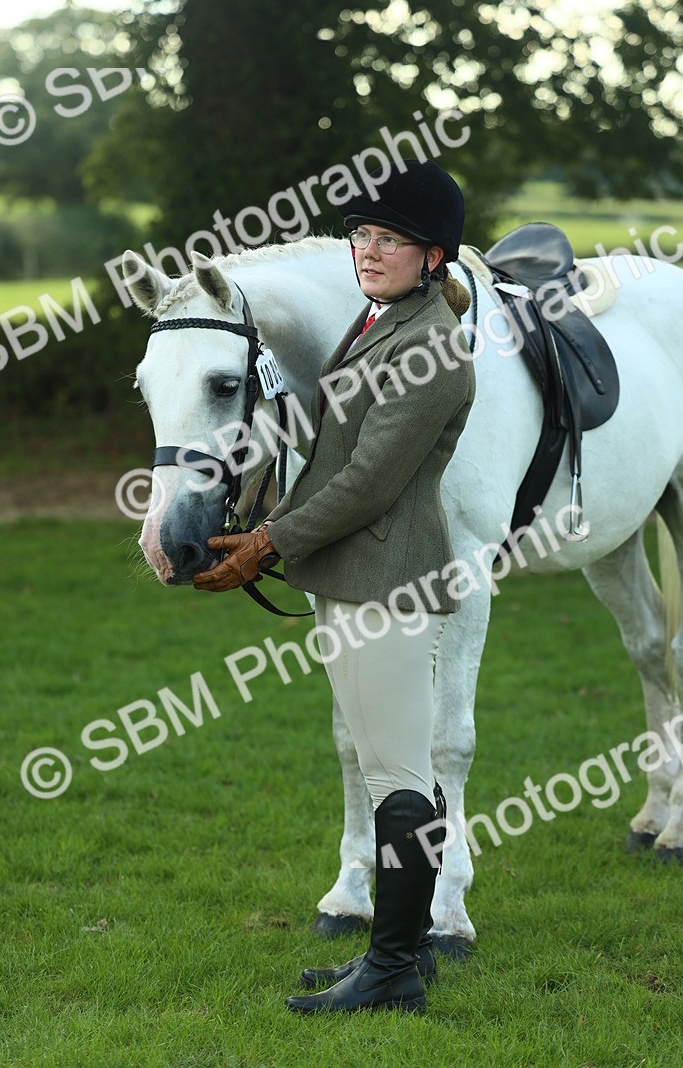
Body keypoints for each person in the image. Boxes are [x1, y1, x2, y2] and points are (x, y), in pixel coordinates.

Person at [193, 158, 475, 1014]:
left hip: (386, 580)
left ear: (433, 257)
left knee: (398, 778)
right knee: (393, 770)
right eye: (363, 234)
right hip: (353, 577)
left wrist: (263, 547)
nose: (369, 249)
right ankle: (400, 959)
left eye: (391, 239)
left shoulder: (431, 349)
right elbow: (326, 447)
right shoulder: (381, 321)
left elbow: (367, 484)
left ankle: (392, 969)